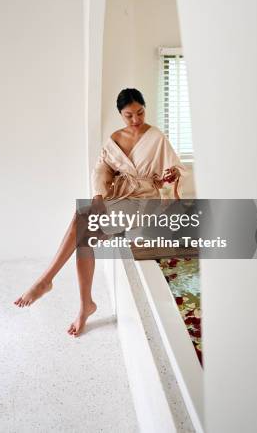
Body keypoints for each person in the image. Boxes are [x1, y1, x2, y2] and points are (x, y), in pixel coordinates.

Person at [13, 88, 187, 336]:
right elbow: (101, 170)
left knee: (81, 221)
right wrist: (98, 197)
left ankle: (50, 284)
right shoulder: (115, 138)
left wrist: (170, 178)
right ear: (120, 114)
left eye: (140, 112)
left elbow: (175, 169)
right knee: (83, 228)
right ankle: (85, 304)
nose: (136, 120)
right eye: (129, 115)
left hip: (146, 201)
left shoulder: (156, 137)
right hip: (120, 197)